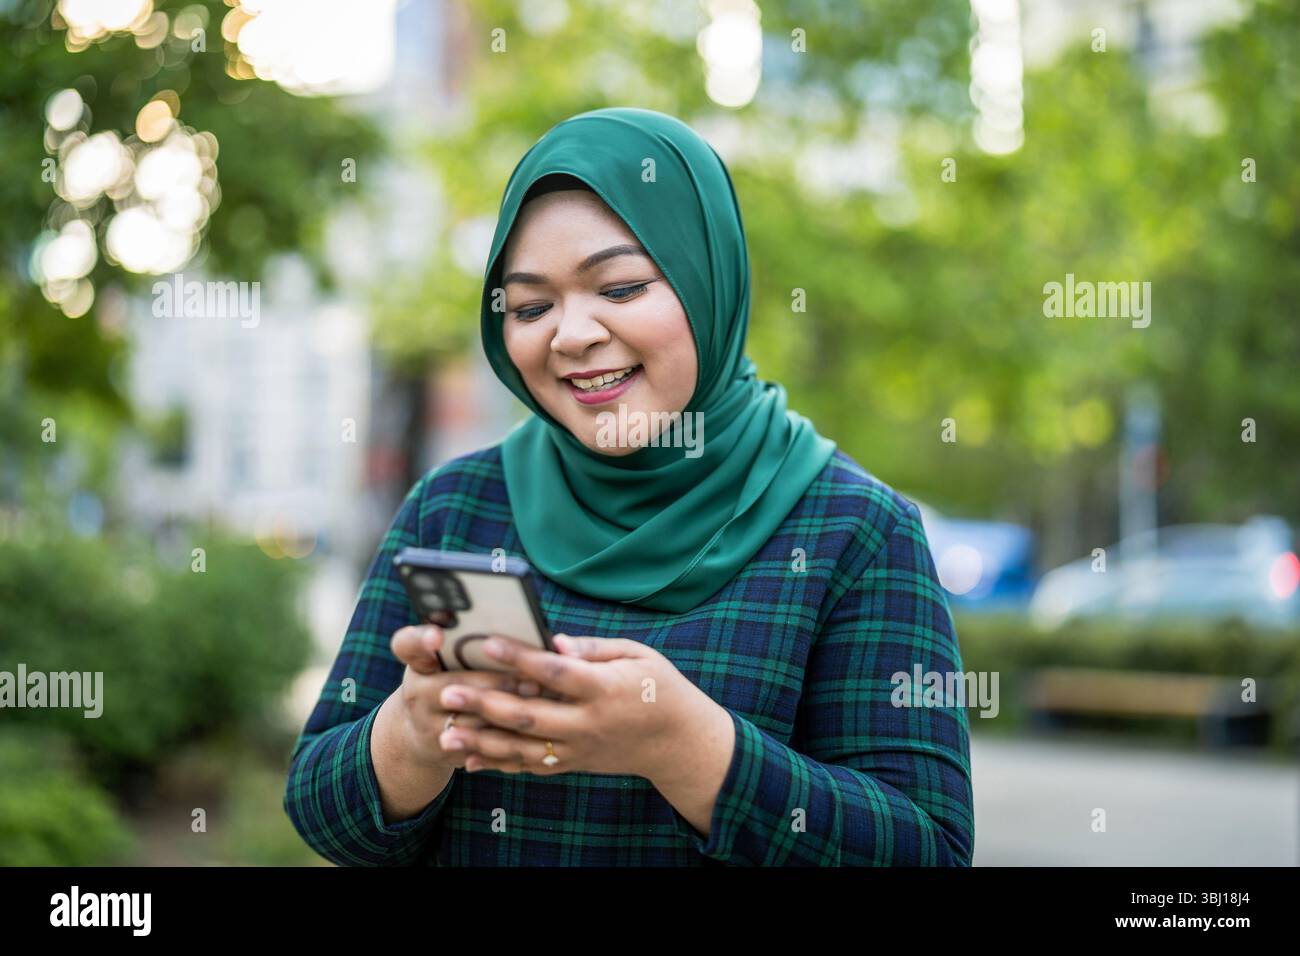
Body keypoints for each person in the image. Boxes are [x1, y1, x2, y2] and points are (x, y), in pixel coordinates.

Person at [284, 107, 974, 866]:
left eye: (618, 288)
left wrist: (685, 747)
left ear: (708, 282)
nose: (570, 334)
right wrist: (410, 736)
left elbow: (928, 850)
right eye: (531, 307)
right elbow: (317, 805)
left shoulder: (856, 531)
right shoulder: (456, 507)